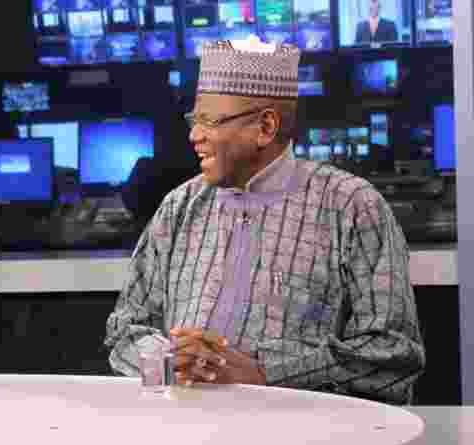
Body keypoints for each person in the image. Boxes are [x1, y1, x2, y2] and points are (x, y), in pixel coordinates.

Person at [104, 38, 424, 404]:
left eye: (210, 120)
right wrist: (174, 360)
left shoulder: (352, 206)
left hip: (312, 442)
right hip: (185, 436)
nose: (194, 135)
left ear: (266, 127)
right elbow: (125, 330)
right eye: (195, 120)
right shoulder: (180, 206)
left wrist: (263, 374)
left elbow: (392, 355)